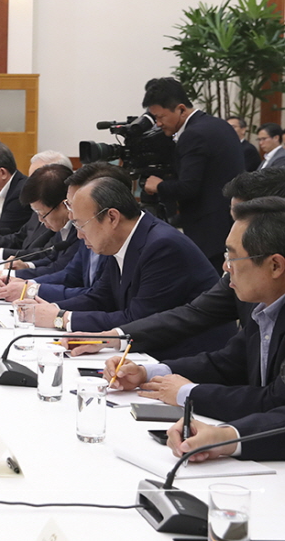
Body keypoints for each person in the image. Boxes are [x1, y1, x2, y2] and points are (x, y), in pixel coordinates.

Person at [65, 167, 285, 358]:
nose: (234, 232)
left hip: (190, 355)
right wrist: (113, 338)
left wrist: (62, 319)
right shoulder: (243, 273)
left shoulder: (163, 245)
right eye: (234, 220)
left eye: (243, 221)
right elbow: (193, 313)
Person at [106, 197, 285, 423]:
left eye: (232, 257)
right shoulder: (261, 304)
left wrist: (187, 393)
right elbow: (227, 364)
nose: (225, 267)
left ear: (275, 265)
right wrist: (146, 372)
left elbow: (276, 401)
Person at [30, 176, 231, 360]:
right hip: (145, 349)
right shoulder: (121, 239)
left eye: (81, 225)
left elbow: (137, 317)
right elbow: (101, 297)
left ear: (112, 218)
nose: (80, 236)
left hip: (187, 358)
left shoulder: (163, 246)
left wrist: (62, 319)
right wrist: (54, 309)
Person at [141, 77, 244, 271]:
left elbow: (188, 187)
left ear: (180, 109)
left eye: (160, 117)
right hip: (230, 221)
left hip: (209, 232)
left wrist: (158, 186)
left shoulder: (193, 135)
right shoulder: (219, 125)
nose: (158, 124)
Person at [0, 162, 131, 303]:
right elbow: (70, 274)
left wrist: (56, 315)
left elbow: (100, 298)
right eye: (69, 204)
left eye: (71, 204)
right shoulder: (86, 229)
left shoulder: (121, 241)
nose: (69, 215)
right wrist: (28, 284)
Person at [0, 152, 72, 260]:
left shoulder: (58, 215)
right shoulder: (40, 205)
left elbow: (46, 254)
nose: (30, 184)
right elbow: (21, 236)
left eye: (39, 178)